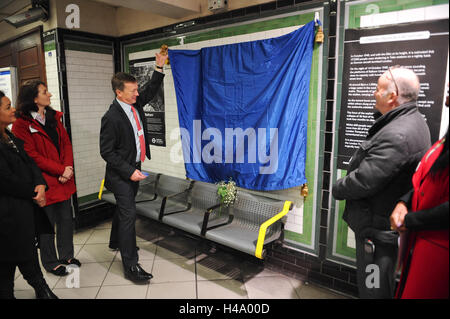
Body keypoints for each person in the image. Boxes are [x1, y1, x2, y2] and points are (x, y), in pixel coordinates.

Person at [332, 66, 431, 298]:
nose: (374, 94)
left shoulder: (397, 134)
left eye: (378, 89)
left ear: (392, 96)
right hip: (382, 224)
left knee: (372, 286)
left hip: (375, 231)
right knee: (376, 283)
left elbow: (365, 181)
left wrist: (338, 187)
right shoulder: (412, 120)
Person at [100, 52, 168, 282]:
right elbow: (107, 152)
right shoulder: (111, 117)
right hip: (122, 175)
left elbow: (149, 90)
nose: (137, 94)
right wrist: (129, 171)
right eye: (132, 91)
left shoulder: (134, 102)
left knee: (123, 210)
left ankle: (114, 242)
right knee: (129, 215)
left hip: (134, 168)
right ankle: (131, 266)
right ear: (119, 92)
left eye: (136, 90)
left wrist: (159, 67)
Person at [12, 81, 79, 277]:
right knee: (47, 225)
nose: (49, 94)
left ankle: (67, 255)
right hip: (45, 181)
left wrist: (67, 168)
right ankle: (50, 262)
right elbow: (31, 156)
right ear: (34, 98)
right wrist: (60, 170)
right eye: (44, 92)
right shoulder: (21, 124)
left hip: (63, 179)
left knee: (66, 220)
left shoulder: (53, 117)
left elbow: (66, 143)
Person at [390, 84, 449, 299]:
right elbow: (426, 177)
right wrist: (404, 202)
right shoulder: (443, 138)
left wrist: (412, 219)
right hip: (419, 242)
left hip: (439, 251)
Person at [0, 90, 57, 299]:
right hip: (7, 216)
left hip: (24, 211)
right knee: (7, 264)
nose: (13, 109)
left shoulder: (10, 135)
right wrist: (34, 192)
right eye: (7, 107)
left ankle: (41, 289)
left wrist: (40, 184)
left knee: (28, 252)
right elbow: (5, 180)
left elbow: (31, 163)